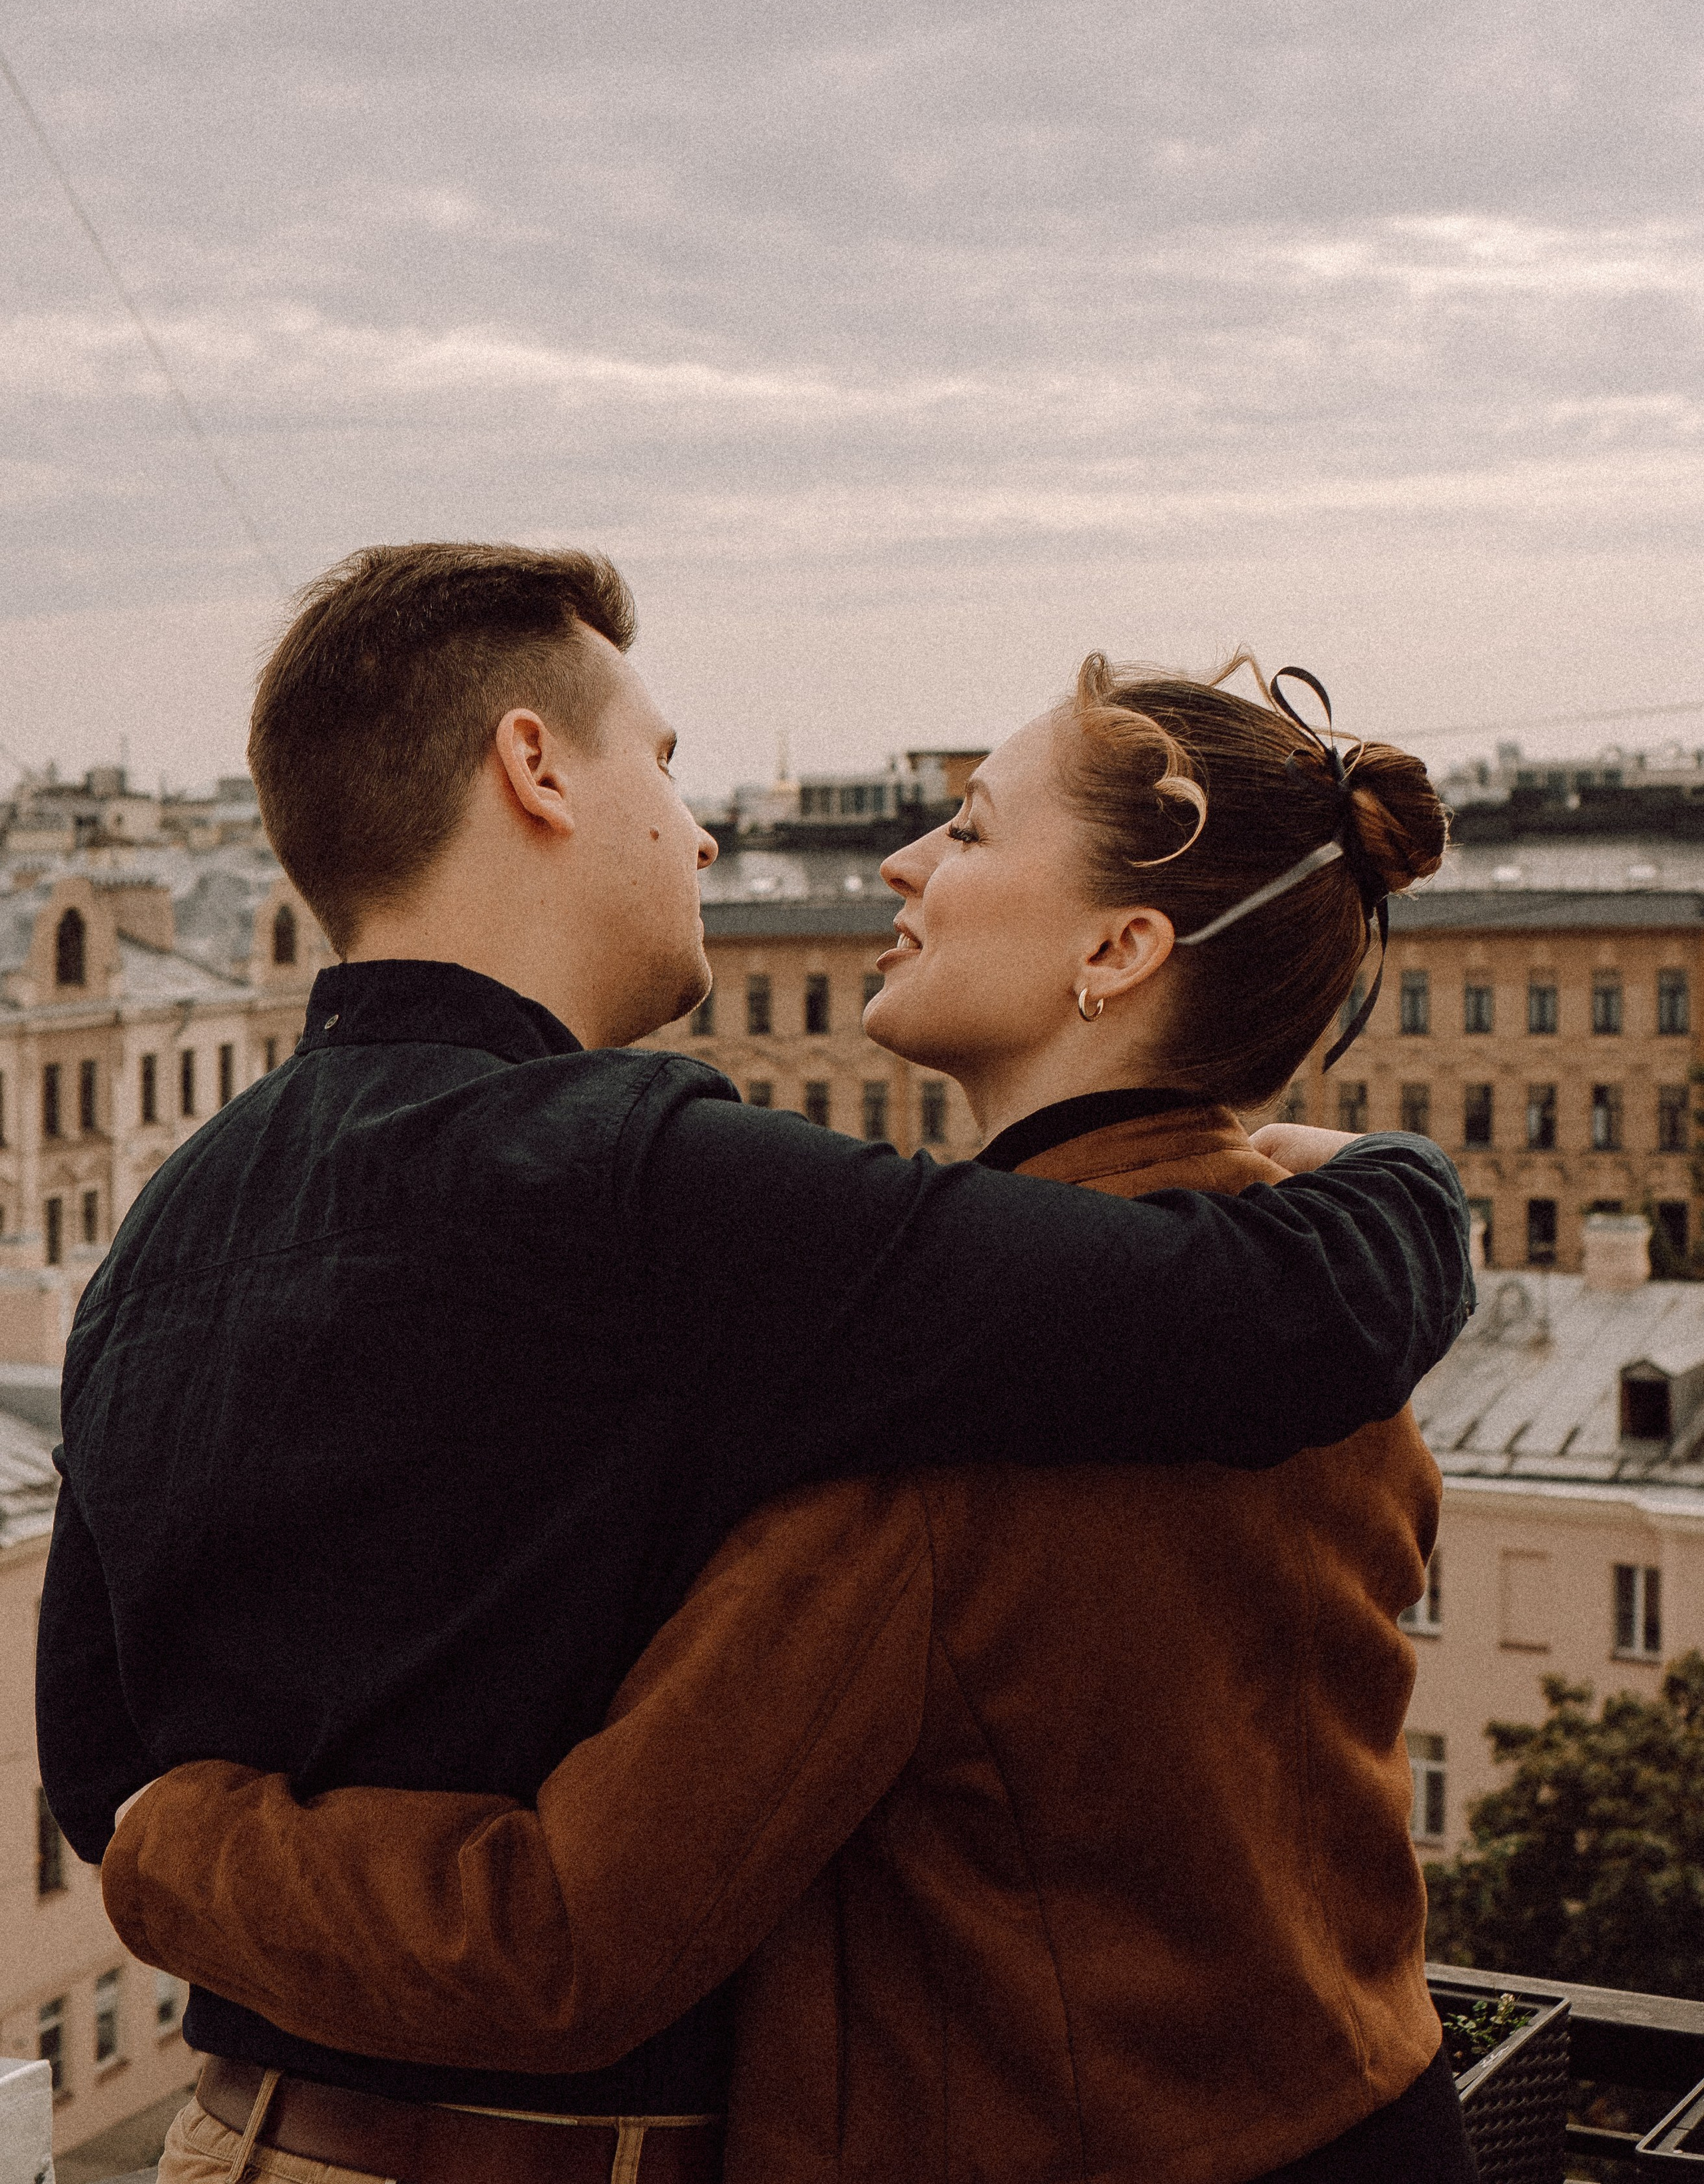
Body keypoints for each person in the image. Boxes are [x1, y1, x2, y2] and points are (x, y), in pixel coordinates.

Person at [106, 649, 1476, 2184]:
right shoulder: (1320, 1338)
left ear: (1118, 949)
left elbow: (564, 1941)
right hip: (1377, 2119)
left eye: (964, 828)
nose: (896, 859)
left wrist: (170, 1833)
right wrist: (1401, 1177)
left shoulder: (930, 1439)